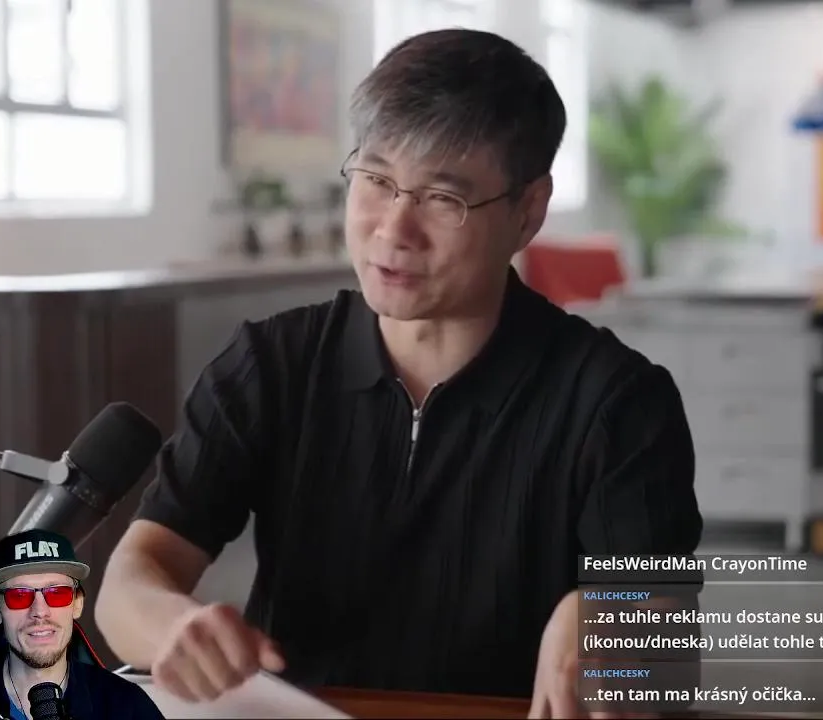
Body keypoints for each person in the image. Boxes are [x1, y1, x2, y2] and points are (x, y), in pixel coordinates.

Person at [94, 28, 701, 719]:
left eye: (443, 198)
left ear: (528, 210)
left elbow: (666, 633)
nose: (393, 230)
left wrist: (606, 617)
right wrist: (172, 626)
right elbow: (133, 579)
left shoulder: (616, 401)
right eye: (377, 181)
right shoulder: (271, 365)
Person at [0, 530, 164, 720]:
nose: (40, 611)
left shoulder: (126, 707)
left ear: (77, 604)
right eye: (19, 595)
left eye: (57, 593)